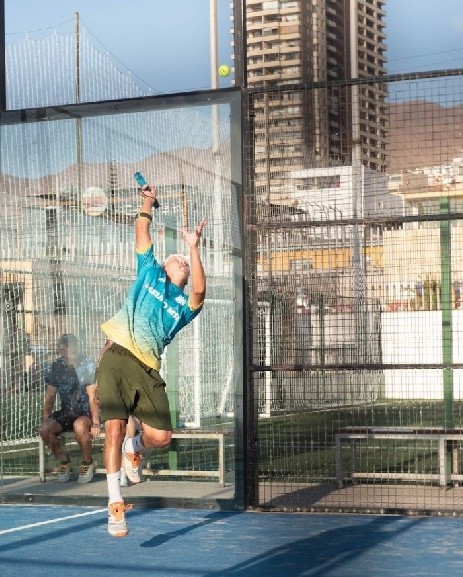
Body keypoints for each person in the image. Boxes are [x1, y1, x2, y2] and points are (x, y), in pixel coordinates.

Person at [97, 183, 207, 538]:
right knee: (114, 428)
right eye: (176, 258)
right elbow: (142, 229)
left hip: (147, 369)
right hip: (117, 357)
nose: (181, 261)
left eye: (185, 262)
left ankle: (134, 448)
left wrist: (194, 247)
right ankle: (115, 505)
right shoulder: (149, 271)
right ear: (164, 265)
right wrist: (148, 200)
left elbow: (200, 291)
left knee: (161, 436)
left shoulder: (184, 307)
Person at [38, 333, 101, 483]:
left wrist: (96, 422)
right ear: (61, 350)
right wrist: (46, 418)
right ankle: (64, 460)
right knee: (44, 429)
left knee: (79, 425)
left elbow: (93, 396)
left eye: (74, 345)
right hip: (67, 412)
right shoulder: (57, 366)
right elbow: (50, 395)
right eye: (68, 346)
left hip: (86, 412)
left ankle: (87, 462)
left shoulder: (87, 363)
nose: (72, 348)